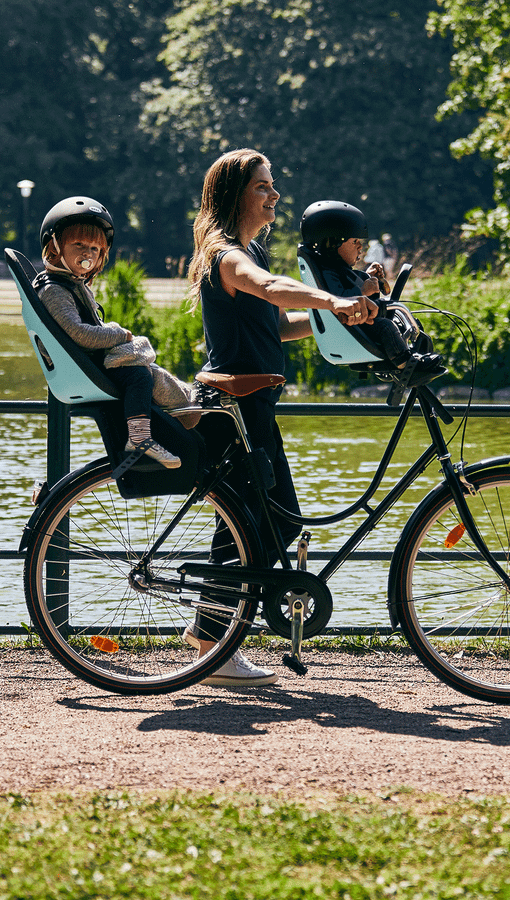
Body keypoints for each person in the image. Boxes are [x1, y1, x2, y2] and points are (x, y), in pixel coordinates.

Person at [184, 149, 378, 687]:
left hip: (254, 407)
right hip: (237, 408)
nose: (274, 194)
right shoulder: (227, 257)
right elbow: (270, 290)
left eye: (273, 185)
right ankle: (212, 644)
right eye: (263, 186)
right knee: (252, 524)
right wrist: (331, 301)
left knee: (268, 522)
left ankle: (209, 637)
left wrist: (347, 300)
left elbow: (279, 323)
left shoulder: (244, 253)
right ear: (235, 196)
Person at [33, 196, 196, 470]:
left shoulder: (71, 283)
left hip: (89, 363)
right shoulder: (55, 290)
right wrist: (119, 335)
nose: (88, 254)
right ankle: (142, 437)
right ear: (54, 246)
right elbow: (79, 334)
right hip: (85, 370)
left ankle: (188, 403)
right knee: (139, 375)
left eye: (95, 249)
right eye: (79, 245)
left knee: (148, 372)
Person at [300, 200, 446, 386]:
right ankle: (405, 364)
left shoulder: (337, 269)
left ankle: (414, 355)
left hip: (361, 322)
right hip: (353, 328)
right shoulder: (329, 273)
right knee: (386, 327)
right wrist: (362, 290)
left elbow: (353, 283)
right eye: (355, 242)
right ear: (332, 242)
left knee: (403, 321)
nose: (361, 247)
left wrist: (369, 278)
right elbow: (337, 300)